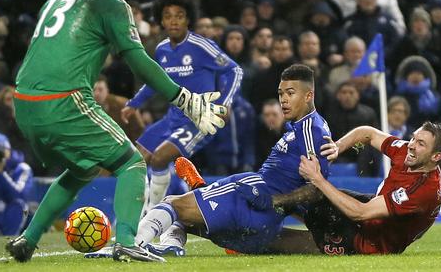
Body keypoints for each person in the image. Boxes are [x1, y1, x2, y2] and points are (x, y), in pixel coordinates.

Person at [5, 0, 226, 263]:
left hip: (23, 102)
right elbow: (137, 59)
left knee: (83, 168)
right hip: (64, 100)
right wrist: (183, 98)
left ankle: (27, 240)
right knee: (132, 163)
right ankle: (127, 242)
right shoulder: (111, 1)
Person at [132, 64, 330, 255]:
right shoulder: (303, 127)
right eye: (280, 93)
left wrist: (276, 201)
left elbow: (317, 188)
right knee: (187, 219)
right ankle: (173, 245)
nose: (283, 100)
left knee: (172, 205)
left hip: (252, 199)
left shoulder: (309, 129)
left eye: (290, 93)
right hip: (261, 222)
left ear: (308, 95)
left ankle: (130, 245)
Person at [121, 0, 242, 210]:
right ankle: (140, 211)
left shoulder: (201, 45)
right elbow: (156, 81)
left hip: (198, 119)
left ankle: (152, 215)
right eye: (168, 15)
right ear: (161, 20)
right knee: (136, 161)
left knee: (159, 159)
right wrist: (134, 103)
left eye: (179, 15)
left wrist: (224, 103)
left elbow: (234, 70)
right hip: (172, 118)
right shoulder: (162, 49)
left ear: (188, 19)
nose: (173, 20)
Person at [296, 122, 441, 255]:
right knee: (317, 199)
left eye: (421, 144)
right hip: (374, 212)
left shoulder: (422, 190)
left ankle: (279, 236)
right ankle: (284, 211)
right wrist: (338, 147)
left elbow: (360, 213)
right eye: (413, 138)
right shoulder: (407, 152)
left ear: (436, 157)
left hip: (371, 243)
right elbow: (368, 133)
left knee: (303, 239)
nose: (411, 145)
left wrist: (317, 178)